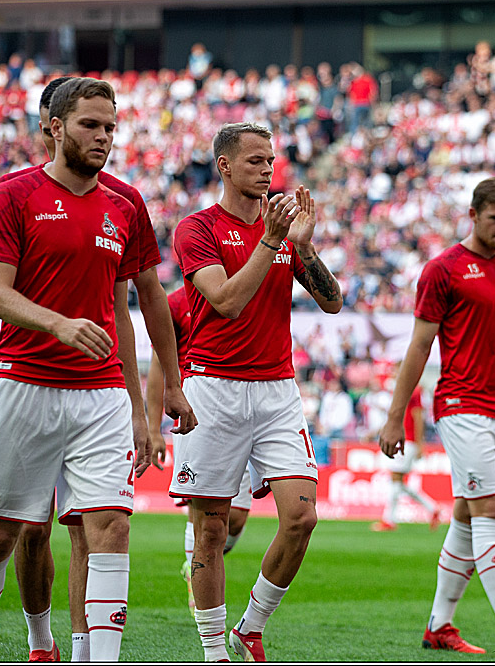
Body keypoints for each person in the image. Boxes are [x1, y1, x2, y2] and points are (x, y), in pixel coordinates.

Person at [0, 75, 195, 661]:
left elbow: (148, 298)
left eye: (111, 127)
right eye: (91, 125)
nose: (104, 137)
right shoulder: (15, 195)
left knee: (112, 527)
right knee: (3, 532)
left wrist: (165, 391)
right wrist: (50, 327)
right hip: (24, 384)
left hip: (101, 394)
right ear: (55, 127)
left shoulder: (126, 203)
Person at [171, 122, 342, 661]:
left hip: (276, 391)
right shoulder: (196, 229)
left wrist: (304, 250)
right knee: (212, 529)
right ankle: (212, 651)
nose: (268, 170)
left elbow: (332, 301)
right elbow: (224, 301)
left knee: (301, 517)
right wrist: (272, 242)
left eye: (270, 161)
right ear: (224, 166)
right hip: (213, 389)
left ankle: (250, 626)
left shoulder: (285, 234)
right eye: (255, 161)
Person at [378, 177, 495, 657]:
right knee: (490, 508)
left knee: (467, 517)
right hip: (460, 405)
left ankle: (439, 625)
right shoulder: (444, 270)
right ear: (473, 216)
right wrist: (394, 417)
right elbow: (418, 347)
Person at [144, 286, 253, 619]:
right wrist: (153, 428)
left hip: (246, 408)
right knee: (204, 513)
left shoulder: (247, 289)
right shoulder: (176, 304)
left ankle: (197, 561)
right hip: (196, 412)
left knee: (234, 520)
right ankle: (198, 581)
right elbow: (159, 368)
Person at [371, 385, 441, 532]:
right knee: (398, 481)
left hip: (408, 440)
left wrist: (420, 443)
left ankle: (389, 520)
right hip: (404, 439)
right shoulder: (403, 390)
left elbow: (418, 416)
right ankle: (432, 508)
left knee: (395, 477)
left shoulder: (414, 390)